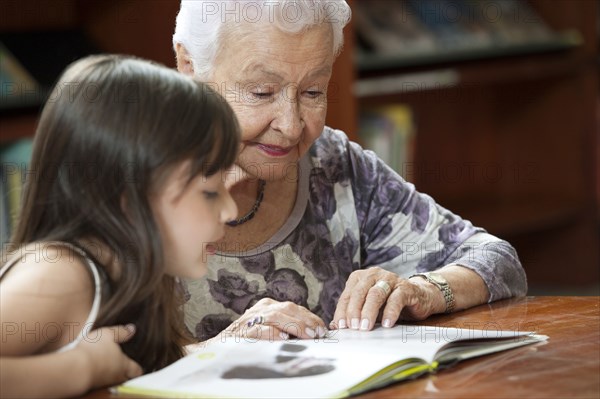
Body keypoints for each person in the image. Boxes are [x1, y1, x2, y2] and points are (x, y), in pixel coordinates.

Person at [172, 0, 527, 343]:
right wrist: (216, 351)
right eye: (262, 92)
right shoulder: (126, 179)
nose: (292, 126)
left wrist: (425, 289)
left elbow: (497, 261)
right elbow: (116, 361)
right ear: (188, 66)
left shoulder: (334, 164)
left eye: (313, 91)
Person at [0, 54, 239, 398]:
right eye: (210, 192)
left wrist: (229, 345)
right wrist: (84, 367)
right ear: (128, 198)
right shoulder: (62, 274)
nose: (229, 210)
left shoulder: (137, 276)